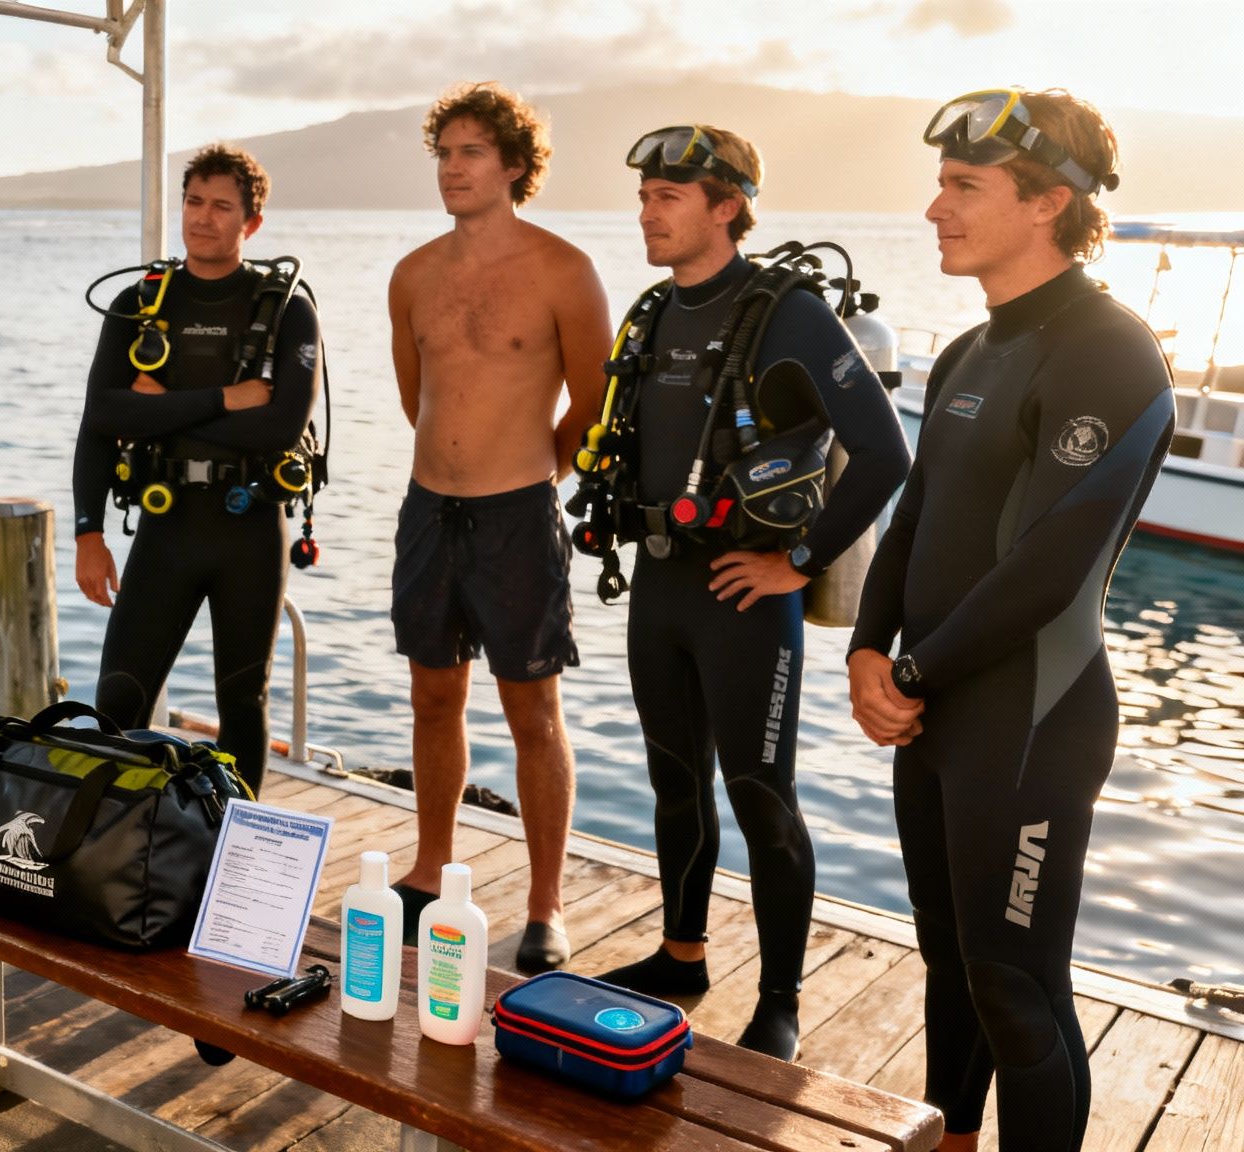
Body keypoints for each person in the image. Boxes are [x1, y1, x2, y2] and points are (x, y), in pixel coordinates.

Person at [848, 89, 1169, 1152]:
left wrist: (911, 674)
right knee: (951, 966)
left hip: (1028, 718)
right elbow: (912, 524)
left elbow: (1048, 567)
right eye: (940, 183)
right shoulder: (964, 354)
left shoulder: (1107, 351)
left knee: (1017, 991)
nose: (933, 207)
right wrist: (863, 649)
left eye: (961, 186)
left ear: (1046, 203)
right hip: (932, 712)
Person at [584, 126, 910, 1061]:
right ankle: (681, 957)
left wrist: (800, 562)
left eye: (668, 196)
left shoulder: (789, 315)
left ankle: (780, 1000)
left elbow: (885, 455)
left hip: (745, 596)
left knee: (762, 794)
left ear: (726, 206)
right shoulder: (650, 313)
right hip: (661, 584)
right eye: (644, 195)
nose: (647, 211)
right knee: (673, 782)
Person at [385, 83, 611, 973]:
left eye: (471, 151)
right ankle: (430, 863)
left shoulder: (563, 268)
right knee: (433, 697)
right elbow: (417, 398)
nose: (452, 167)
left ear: (515, 165)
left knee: (533, 711)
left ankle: (546, 906)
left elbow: (593, 405)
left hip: (519, 516)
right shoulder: (412, 273)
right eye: (443, 152)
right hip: (426, 511)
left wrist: (529, 477)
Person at [72, 143, 320, 798]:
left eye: (221, 206)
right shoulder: (140, 301)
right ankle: (103, 853)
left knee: (243, 703)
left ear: (252, 224)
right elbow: (101, 416)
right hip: (165, 526)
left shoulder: (287, 310)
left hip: (249, 530)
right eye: (193, 201)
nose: (203, 218)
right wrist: (88, 533)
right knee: (116, 702)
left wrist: (156, 411)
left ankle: (237, 855)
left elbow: (279, 427)